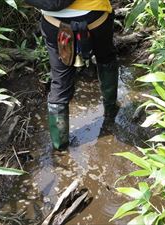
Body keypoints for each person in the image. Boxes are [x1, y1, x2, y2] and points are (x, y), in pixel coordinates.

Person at [40, 0, 119, 150]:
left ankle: (60, 147)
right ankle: (111, 109)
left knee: (60, 81)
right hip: (96, 19)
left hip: (54, 22)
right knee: (106, 58)